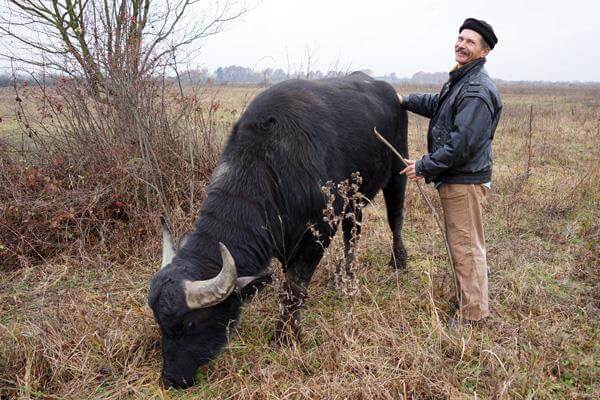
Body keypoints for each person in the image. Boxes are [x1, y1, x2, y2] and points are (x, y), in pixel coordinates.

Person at [398, 18, 502, 327]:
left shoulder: (476, 90)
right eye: (460, 38)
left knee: (467, 246)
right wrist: (404, 100)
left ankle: (472, 315)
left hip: (464, 181)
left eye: (471, 42)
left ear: (484, 51)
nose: (462, 44)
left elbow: (461, 146)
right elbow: (439, 105)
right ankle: (469, 301)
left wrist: (424, 165)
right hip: (458, 178)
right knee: (464, 244)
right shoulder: (460, 81)